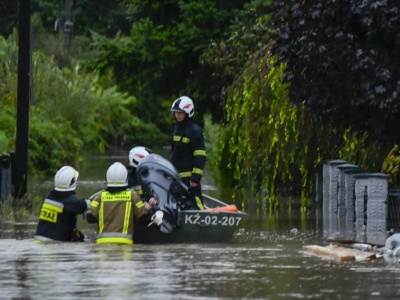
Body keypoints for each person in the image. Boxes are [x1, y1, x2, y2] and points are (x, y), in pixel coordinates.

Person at [86, 162, 157, 244]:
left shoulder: (99, 197)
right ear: (126, 178)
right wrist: (148, 208)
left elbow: (90, 218)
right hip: (125, 242)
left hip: (102, 242)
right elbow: (142, 219)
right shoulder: (132, 196)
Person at [35, 166, 90, 242]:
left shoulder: (50, 196)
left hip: (38, 241)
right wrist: (89, 203)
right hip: (53, 245)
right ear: (72, 182)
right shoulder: (69, 200)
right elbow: (81, 205)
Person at [170, 96, 206, 210]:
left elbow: (200, 156)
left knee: (195, 204)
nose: (177, 115)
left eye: (180, 113)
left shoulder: (194, 131)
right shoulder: (177, 129)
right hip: (176, 178)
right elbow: (174, 153)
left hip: (190, 180)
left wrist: (195, 178)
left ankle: (203, 223)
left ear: (188, 112)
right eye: (176, 112)